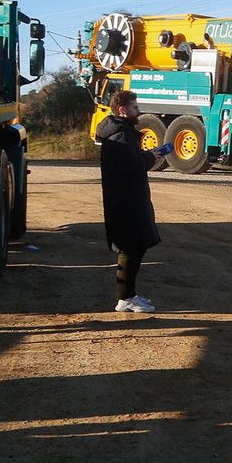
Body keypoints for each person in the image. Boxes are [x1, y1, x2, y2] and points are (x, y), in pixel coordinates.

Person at [97, 90, 164, 313]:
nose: (139, 111)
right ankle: (125, 299)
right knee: (130, 247)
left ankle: (128, 296)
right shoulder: (121, 135)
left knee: (134, 246)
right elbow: (132, 166)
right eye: (135, 107)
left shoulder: (120, 132)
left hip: (126, 198)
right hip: (126, 200)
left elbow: (130, 162)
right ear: (123, 110)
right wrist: (150, 157)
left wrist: (145, 156)